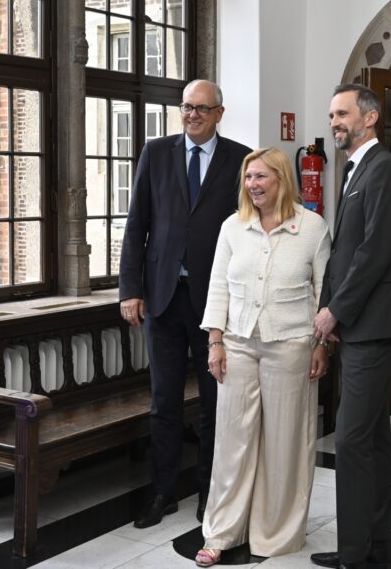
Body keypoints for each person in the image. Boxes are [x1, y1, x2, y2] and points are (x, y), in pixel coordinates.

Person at [118, 79, 252, 528]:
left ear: (219, 113)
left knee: (215, 402)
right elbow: (137, 224)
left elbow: (247, 232)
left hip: (215, 304)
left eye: (201, 108)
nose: (192, 115)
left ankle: (209, 492)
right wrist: (129, 289)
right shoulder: (156, 153)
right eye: (186, 107)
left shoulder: (240, 160)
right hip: (162, 299)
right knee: (164, 402)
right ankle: (163, 492)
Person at [193, 148, 332, 567]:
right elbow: (218, 286)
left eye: (261, 177)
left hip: (292, 345)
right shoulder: (232, 227)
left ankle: (275, 534)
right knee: (232, 443)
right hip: (237, 344)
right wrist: (215, 341)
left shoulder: (312, 228)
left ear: (282, 179)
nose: (252, 185)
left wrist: (322, 344)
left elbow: (324, 293)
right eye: (248, 177)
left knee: (285, 443)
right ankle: (221, 532)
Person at [310, 84, 391, 569]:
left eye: (342, 113)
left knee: (349, 440)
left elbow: (374, 252)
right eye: (331, 115)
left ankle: (353, 552)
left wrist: (335, 311)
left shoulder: (384, 169)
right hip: (358, 325)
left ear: (370, 118)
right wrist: (331, 308)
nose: (334, 122)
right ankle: (375, 539)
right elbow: (342, 252)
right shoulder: (355, 170)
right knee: (372, 438)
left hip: (372, 325)